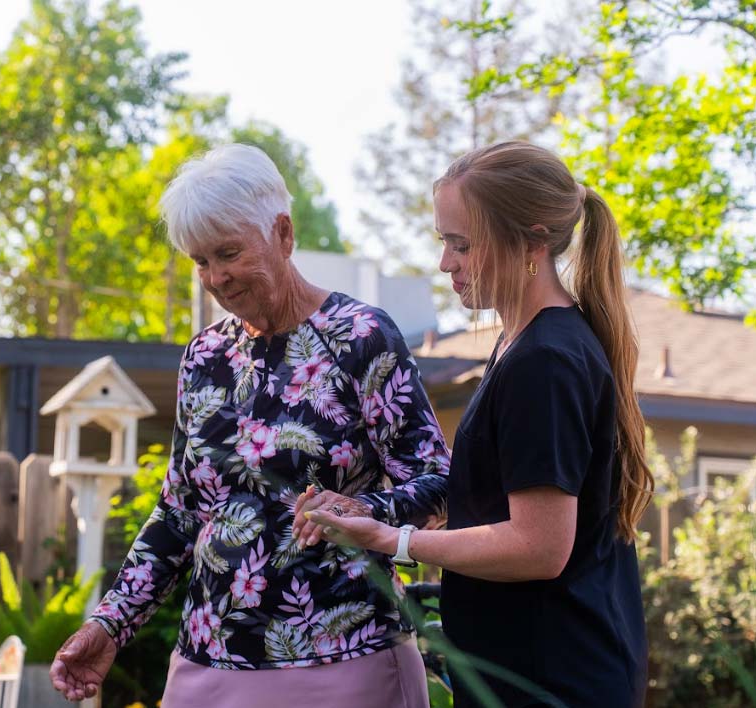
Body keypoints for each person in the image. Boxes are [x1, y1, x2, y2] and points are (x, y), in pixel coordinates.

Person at [49, 143, 449, 708]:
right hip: (207, 663)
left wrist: (364, 511)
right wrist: (111, 624)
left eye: (228, 253)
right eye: (200, 262)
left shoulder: (361, 337)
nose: (216, 278)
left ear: (283, 234)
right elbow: (182, 510)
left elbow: (436, 480)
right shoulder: (204, 357)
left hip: (346, 658)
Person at [301, 141, 654, 708]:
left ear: (532, 242)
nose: (446, 263)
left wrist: (398, 541)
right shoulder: (523, 345)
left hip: (552, 682)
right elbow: (502, 514)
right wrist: (381, 519)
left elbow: (540, 546)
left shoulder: (545, 361)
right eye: (444, 242)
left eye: (462, 244)